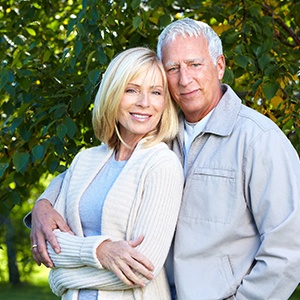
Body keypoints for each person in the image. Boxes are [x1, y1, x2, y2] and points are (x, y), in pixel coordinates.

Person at [26, 18, 300, 299]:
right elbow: (91, 172)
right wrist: (43, 205)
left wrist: (64, 275)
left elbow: (289, 248)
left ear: (219, 66)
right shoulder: (157, 130)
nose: (184, 79)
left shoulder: (257, 139)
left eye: (195, 64)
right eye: (173, 68)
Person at [25, 46, 184, 299]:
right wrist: (100, 251)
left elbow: (142, 268)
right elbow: (51, 246)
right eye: (131, 90)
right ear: (112, 94)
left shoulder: (162, 164)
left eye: (156, 92)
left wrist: (62, 276)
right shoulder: (85, 160)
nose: (144, 103)